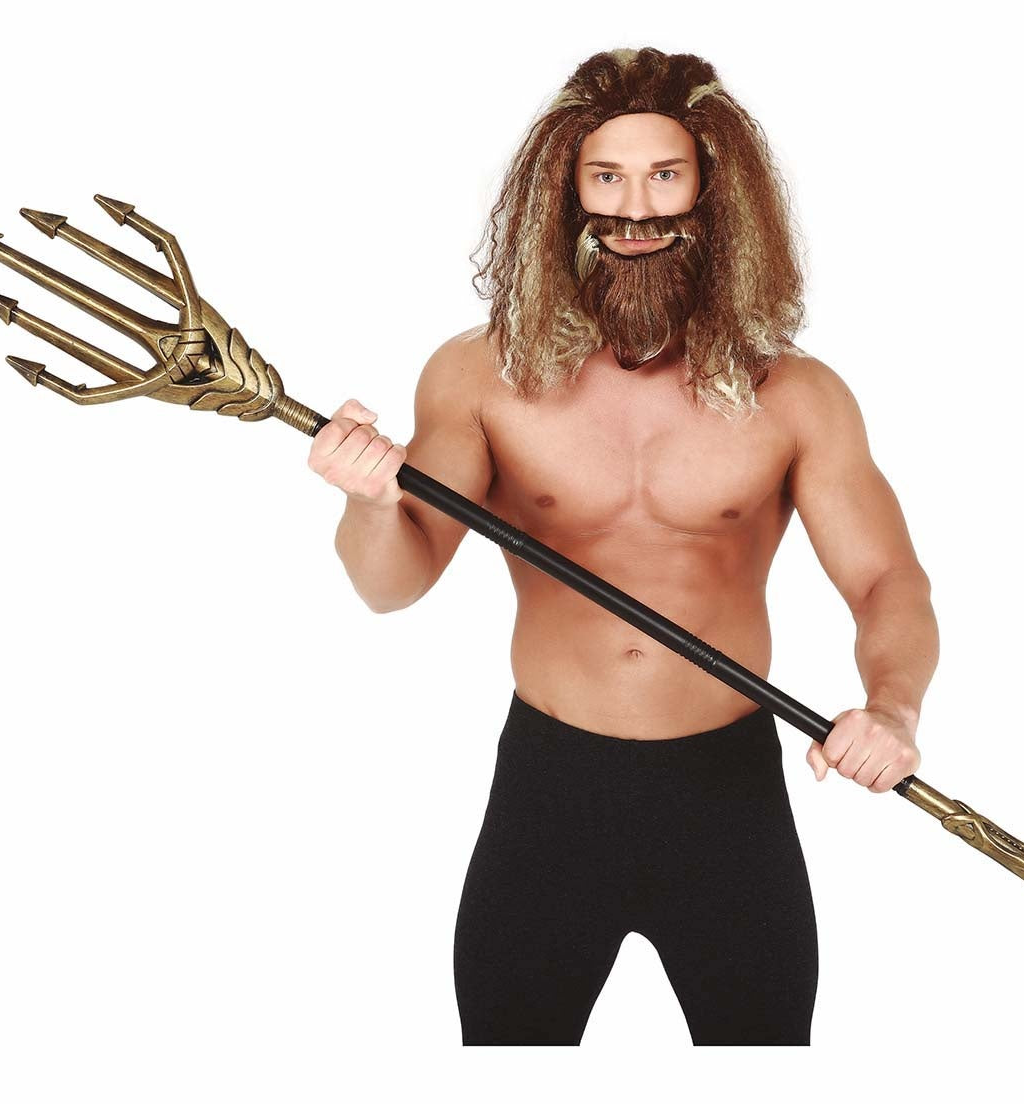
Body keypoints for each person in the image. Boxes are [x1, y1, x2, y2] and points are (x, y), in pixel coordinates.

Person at [308, 47, 939, 1045]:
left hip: (727, 792)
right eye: (606, 178)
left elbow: (885, 578)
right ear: (565, 193)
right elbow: (395, 584)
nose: (635, 211)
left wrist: (892, 707)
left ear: (712, 191)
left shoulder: (796, 396)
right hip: (551, 789)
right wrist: (371, 504)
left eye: (664, 176)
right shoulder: (480, 378)